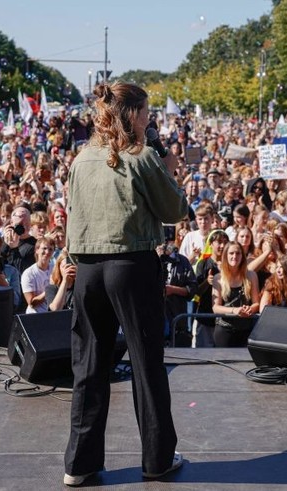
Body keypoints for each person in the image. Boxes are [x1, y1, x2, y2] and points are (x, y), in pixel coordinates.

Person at [63, 82, 186, 486]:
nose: (151, 119)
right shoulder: (141, 156)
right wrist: (162, 159)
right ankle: (157, 459)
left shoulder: (82, 158)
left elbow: (72, 219)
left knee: (89, 365)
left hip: (87, 270)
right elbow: (175, 210)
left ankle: (78, 465)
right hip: (131, 266)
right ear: (133, 115)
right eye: (147, 112)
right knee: (146, 364)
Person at [211, 241, 260, 347]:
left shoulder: (251, 276)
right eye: (231, 253)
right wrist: (234, 310)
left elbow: (256, 303)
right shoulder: (218, 278)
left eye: (238, 253)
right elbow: (215, 307)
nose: (235, 256)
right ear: (225, 255)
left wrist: (250, 309)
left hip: (246, 329)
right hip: (224, 329)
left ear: (242, 256)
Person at [21, 237, 54, 313]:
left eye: (50, 249)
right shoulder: (28, 274)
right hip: (35, 315)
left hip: (53, 313)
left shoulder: (55, 269)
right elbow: (32, 303)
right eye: (44, 248)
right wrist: (50, 289)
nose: (47, 252)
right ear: (37, 250)